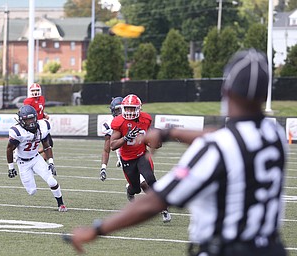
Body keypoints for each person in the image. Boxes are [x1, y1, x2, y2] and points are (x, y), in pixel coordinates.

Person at [67, 49, 287, 256]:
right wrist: (168, 133)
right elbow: (227, 134)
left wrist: (97, 230)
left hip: (227, 248)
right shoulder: (275, 135)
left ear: (226, 91)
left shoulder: (216, 149)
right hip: (271, 247)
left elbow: (155, 201)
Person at [109, 94, 171, 223]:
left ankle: (163, 207)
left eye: (133, 109)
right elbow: (112, 145)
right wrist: (125, 138)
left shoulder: (146, 119)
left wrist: (155, 142)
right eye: (128, 108)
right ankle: (129, 190)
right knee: (136, 188)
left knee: (150, 179)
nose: (130, 112)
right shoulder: (118, 122)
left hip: (142, 155)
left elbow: (149, 138)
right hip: (127, 159)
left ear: (138, 109)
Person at [6, 105, 67, 212]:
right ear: (21, 120)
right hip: (22, 162)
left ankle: (61, 204)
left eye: (32, 118)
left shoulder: (42, 126)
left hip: (36, 158)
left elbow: (47, 146)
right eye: (27, 119)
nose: (31, 122)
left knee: (52, 181)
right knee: (32, 191)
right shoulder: (18, 132)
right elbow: (9, 149)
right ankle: (31, 172)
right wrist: (11, 167)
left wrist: (51, 162)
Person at [99, 96, 149, 193]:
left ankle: (158, 205)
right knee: (141, 184)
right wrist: (103, 168)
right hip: (125, 157)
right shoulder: (110, 124)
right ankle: (131, 190)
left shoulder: (136, 118)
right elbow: (107, 149)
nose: (119, 113)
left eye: (120, 110)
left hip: (139, 154)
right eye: (117, 110)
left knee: (147, 181)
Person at [23, 83, 53, 159]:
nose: (35, 92)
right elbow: (27, 113)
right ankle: (19, 154)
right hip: (33, 125)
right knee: (28, 143)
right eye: (33, 90)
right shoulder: (28, 101)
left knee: (49, 145)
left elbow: (39, 111)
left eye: (37, 90)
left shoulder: (42, 98)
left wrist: (44, 115)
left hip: (42, 124)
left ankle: (41, 161)